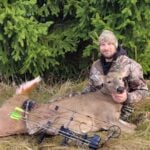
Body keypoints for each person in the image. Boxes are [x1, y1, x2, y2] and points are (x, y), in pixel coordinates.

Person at [83, 29, 149, 121]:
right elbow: (90, 88)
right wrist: (78, 97)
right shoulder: (96, 66)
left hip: (121, 109)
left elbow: (143, 91)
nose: (106, 48)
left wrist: (127, 97)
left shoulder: (130, 65)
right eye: (103, 45)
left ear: (116, 45)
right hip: (99, 106)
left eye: (109, 44)